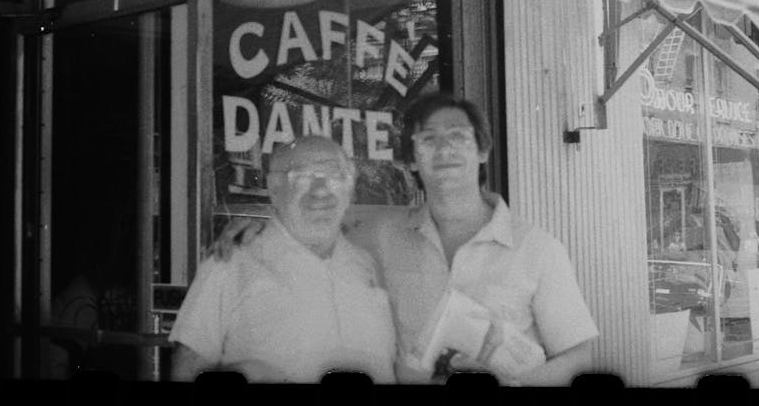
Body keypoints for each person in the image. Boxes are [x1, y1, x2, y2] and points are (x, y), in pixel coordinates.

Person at [217, 92, 598, 386]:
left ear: (482, 151)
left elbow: (578, 356)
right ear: (412, 159)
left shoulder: (538, 248)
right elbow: (312, 220)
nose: (444, 149)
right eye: (428, 139)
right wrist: (266, 222)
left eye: (458, 137)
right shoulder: (379, 235)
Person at [169, 135, 396, 383]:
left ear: (350, 187)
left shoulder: (367, 265)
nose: (320, 190)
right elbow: (187, 371)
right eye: (302, 176)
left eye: (333, 175)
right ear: (274, 189)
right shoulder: (230, 263)